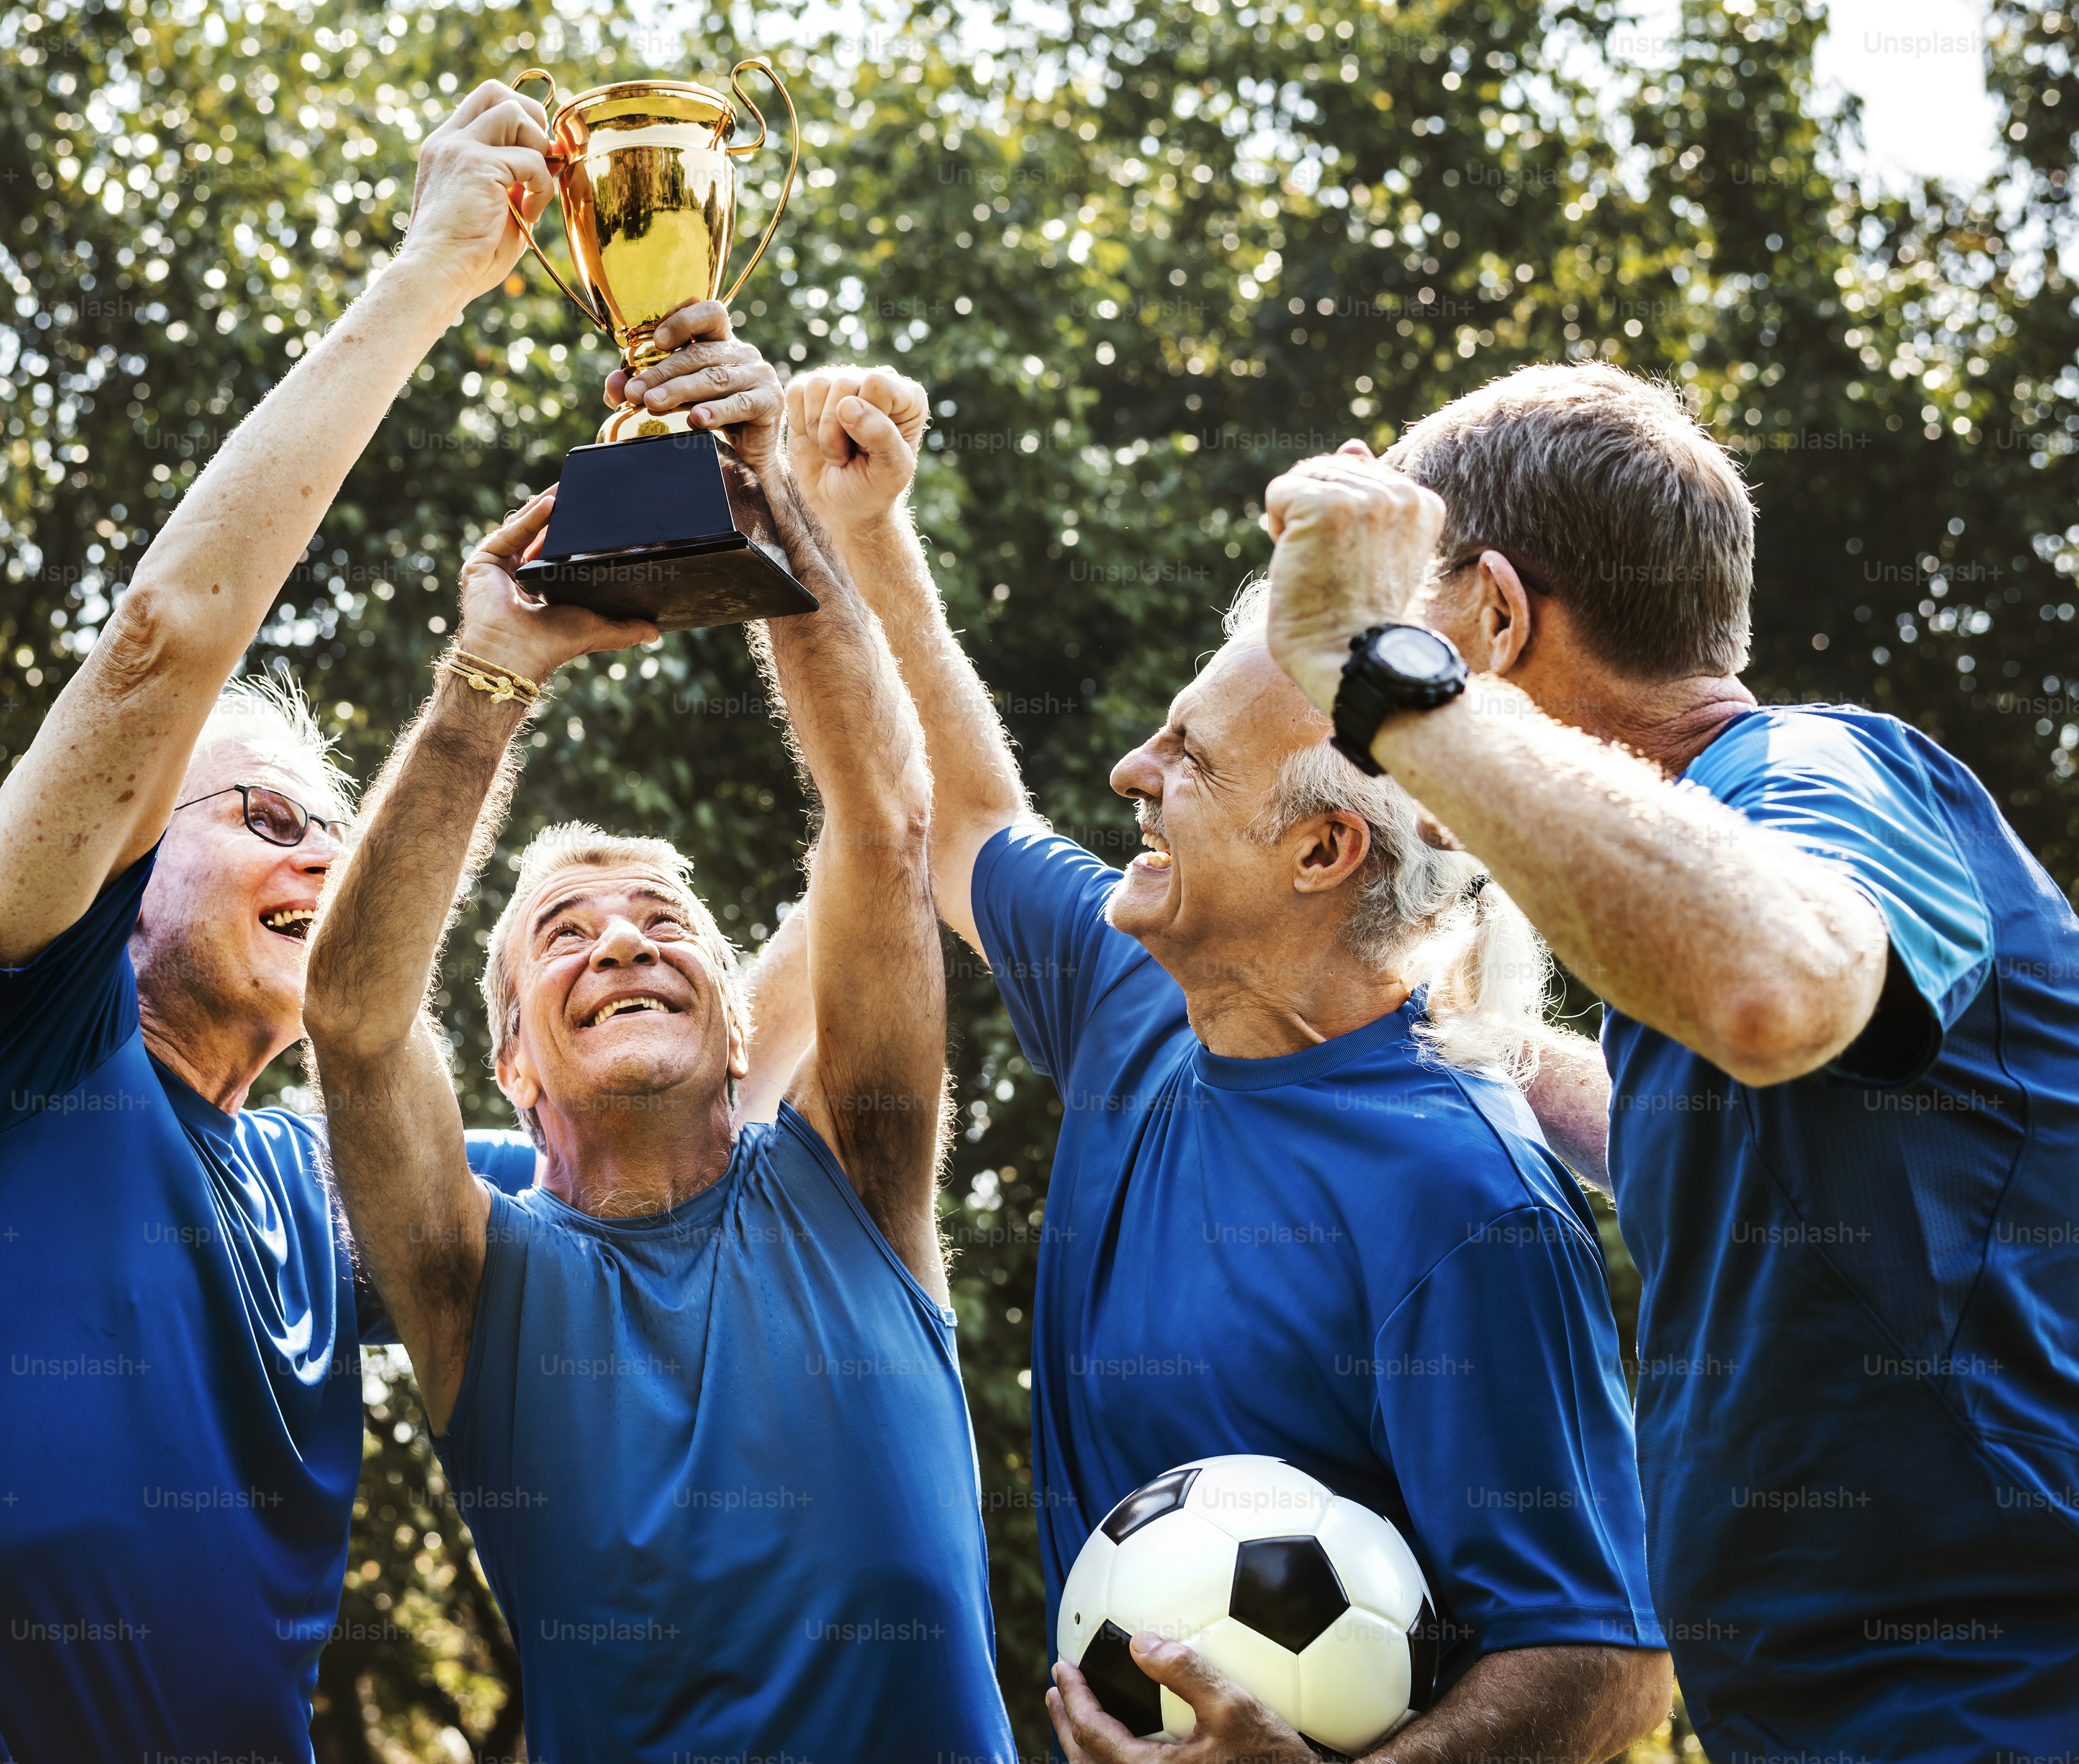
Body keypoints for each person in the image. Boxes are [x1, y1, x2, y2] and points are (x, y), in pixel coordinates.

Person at [635, 357, 1670, 1763]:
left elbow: (1606, 1661)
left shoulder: (1462, 1197)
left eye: (1188, 756)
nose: (1130, 768)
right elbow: (963, 817)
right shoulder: (1139, 987)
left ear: (1323, 849)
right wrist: (863, 528)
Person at [1259, 363, 2079, 1761]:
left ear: (1497, 620)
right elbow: (1712, 1126)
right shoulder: (1713, 879)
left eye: (1421, 611)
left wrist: (1380, 675)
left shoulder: (1817, 769)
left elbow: (1776, 987)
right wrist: (1463, 1034)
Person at [0, 78, 578, 1760]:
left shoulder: (318, 1178)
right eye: (265, 816)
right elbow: (165, 636)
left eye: (336, 826)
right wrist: (438, 268)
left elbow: (668, 1150)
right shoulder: (9, 1035)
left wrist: (817, 540)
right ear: (130, 856)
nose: (325, 859)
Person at [300, 327, 1018, 1762]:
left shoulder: (856, 1185)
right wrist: (488, 673)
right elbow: (357, 1019)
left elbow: (886, 824)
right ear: (511, 1064)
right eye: (563, 933)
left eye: (661, 920)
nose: (622, 942)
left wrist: (770, 503)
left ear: (744, 1020)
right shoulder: (475, 1289)